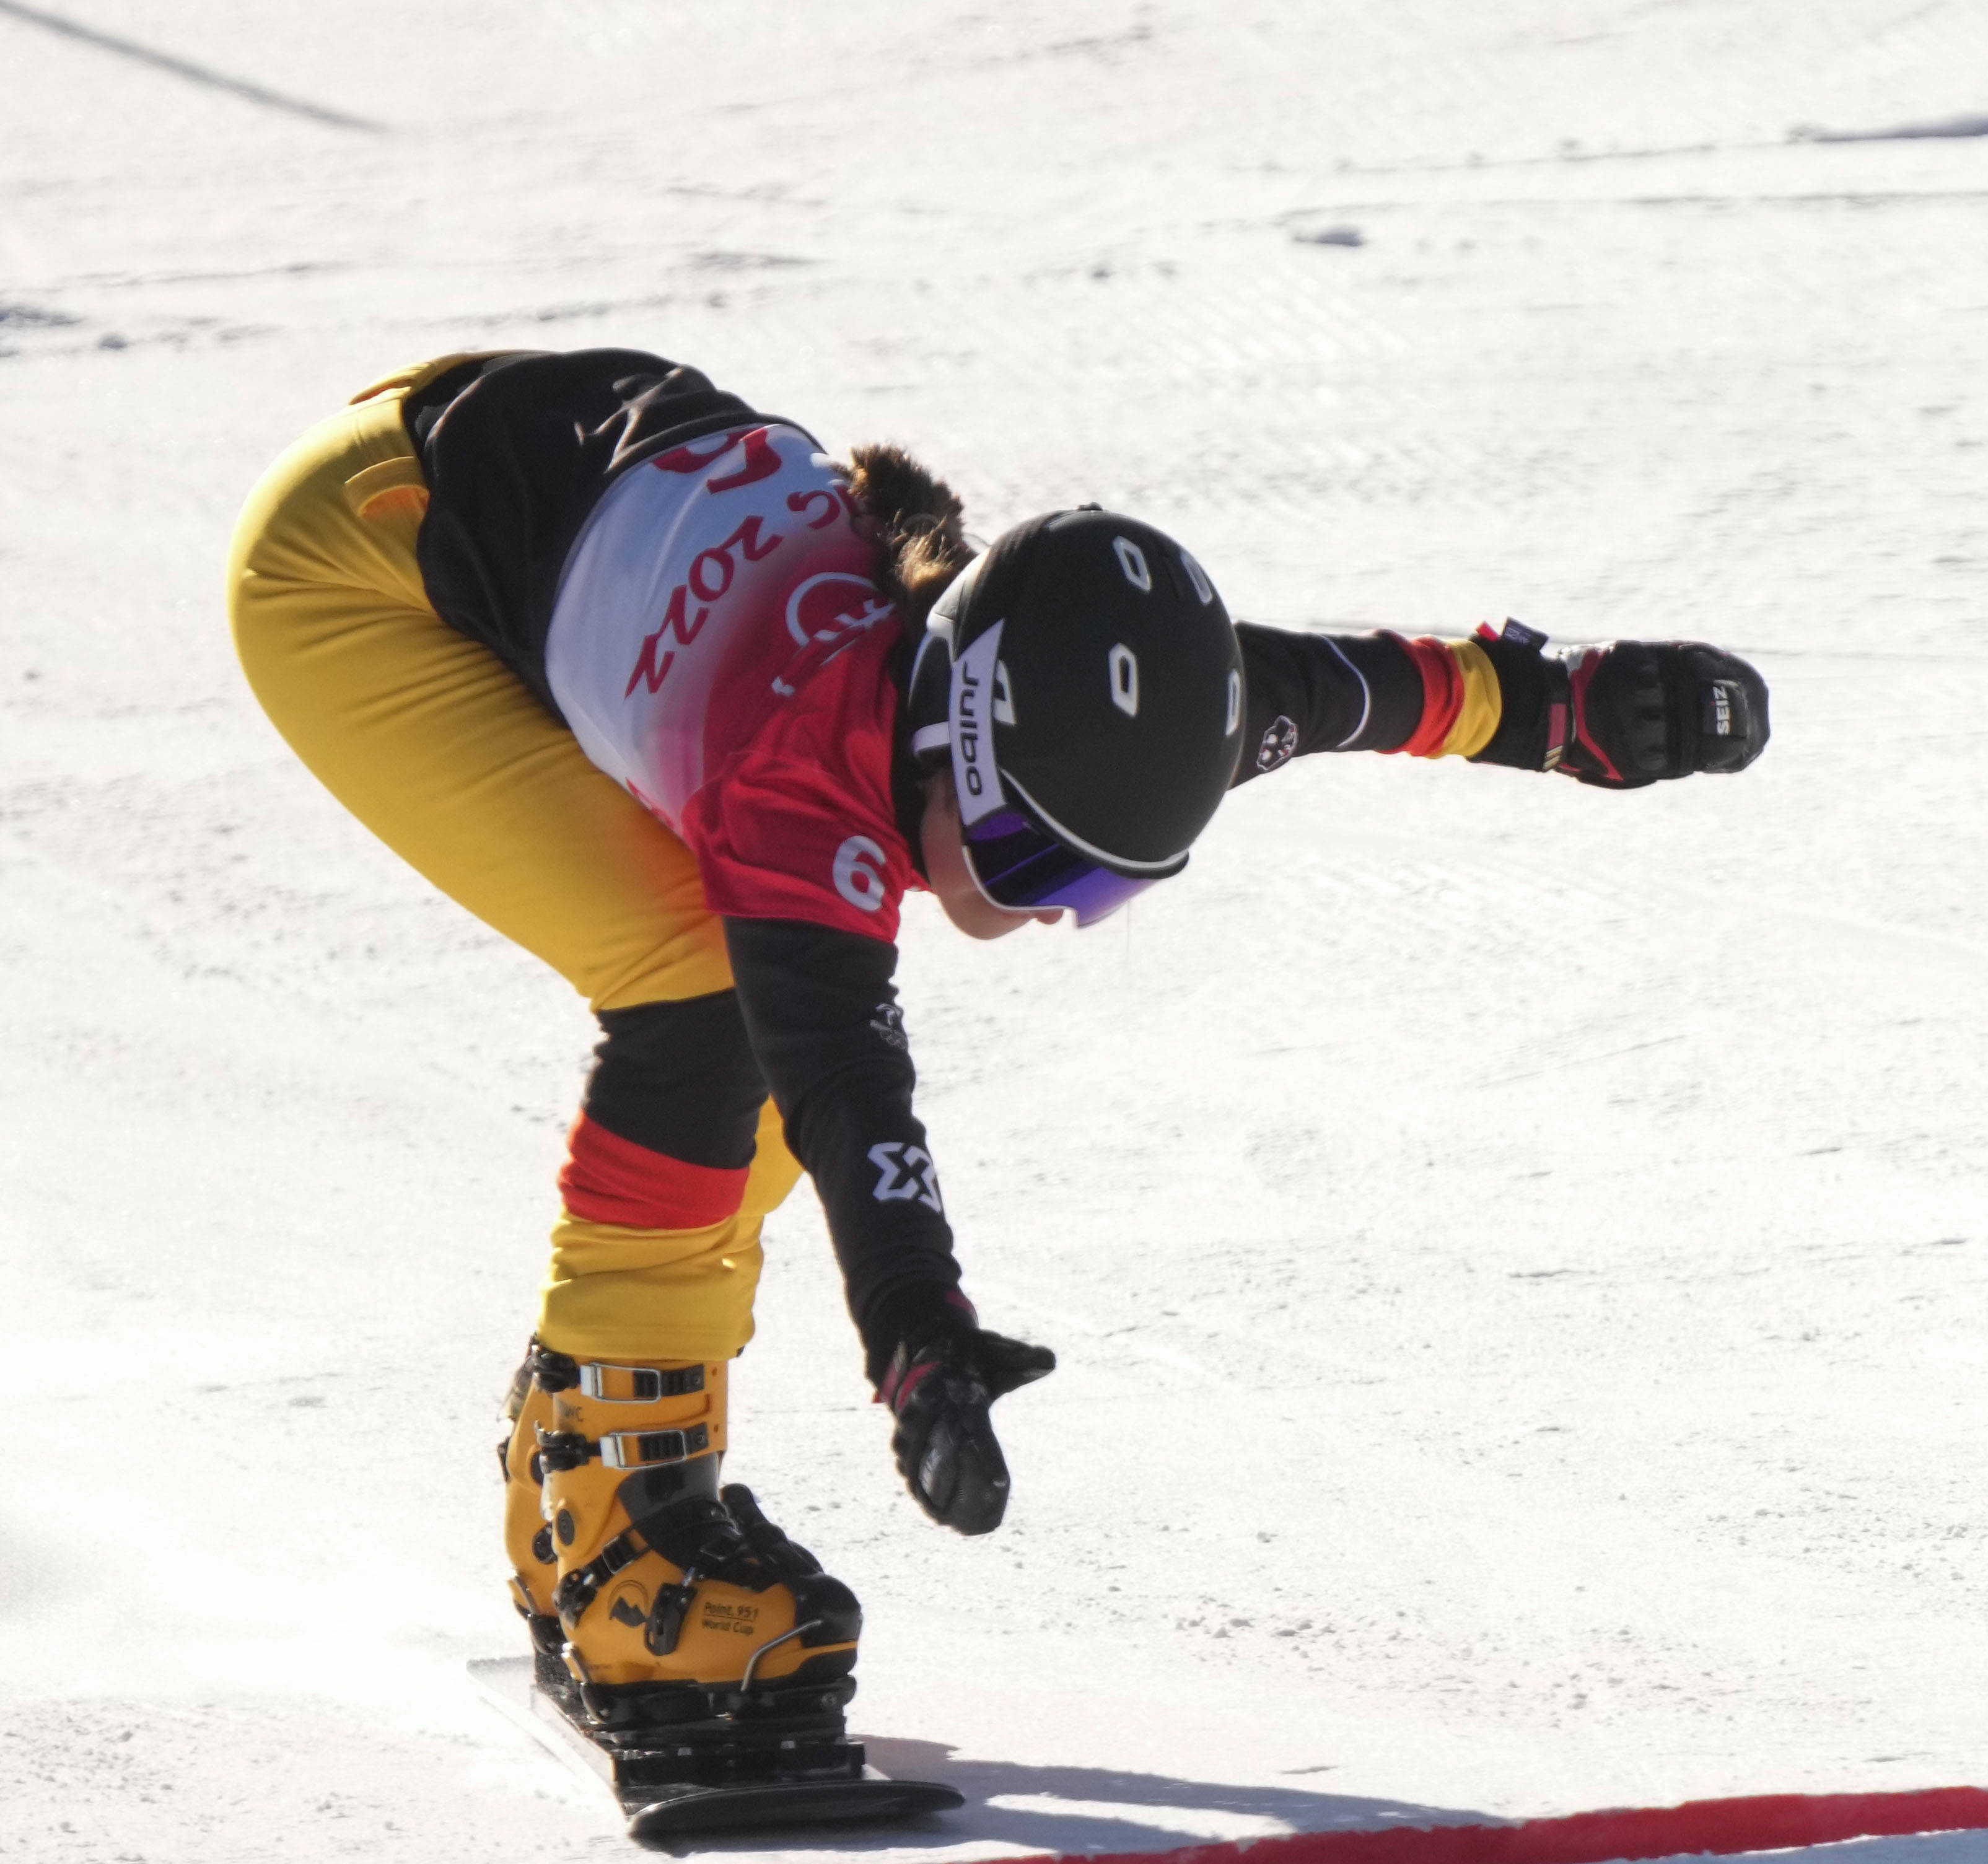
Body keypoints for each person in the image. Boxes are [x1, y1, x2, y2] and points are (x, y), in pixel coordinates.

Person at [226, 347, 1770, 1786]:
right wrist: (918, 1335)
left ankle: (597, 1455)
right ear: (939, 746)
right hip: (352, 563)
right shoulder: (802, 775)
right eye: (1031, 858)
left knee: (739, 1047)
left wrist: (1576, 708)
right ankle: (613, 1521)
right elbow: (849, 1091)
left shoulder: (1123, 701)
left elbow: (1378, 686)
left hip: (537, 473)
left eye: (1100, 885)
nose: (1040, 912)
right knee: (709, 1003)